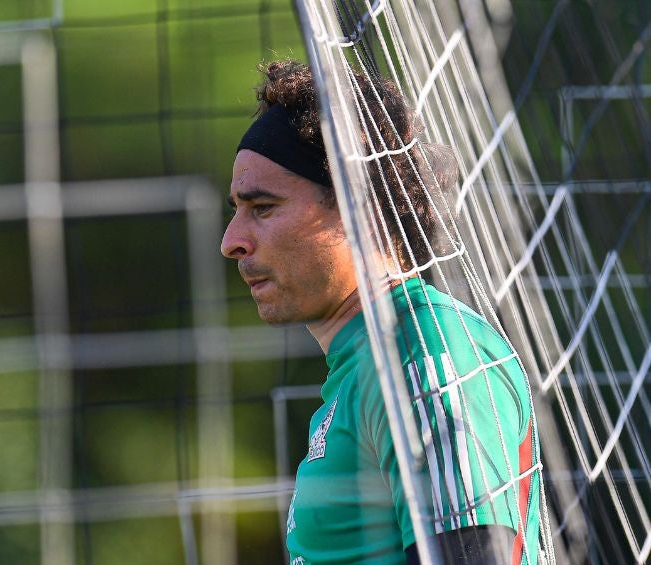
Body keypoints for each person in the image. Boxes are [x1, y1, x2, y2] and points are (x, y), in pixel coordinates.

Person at [221, 60, 543, 564]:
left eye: (262, 208)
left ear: (360, 209)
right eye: (235, 211)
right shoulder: (362, 366)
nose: (231, 242)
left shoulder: (423, 351)